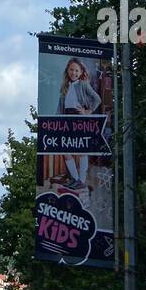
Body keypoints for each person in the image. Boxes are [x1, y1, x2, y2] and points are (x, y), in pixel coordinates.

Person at [58, 57, 102, 192]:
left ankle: (81, 180)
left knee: (81, 149)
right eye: (71, 70)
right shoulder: (65, 86)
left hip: (79, 119)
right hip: (67, 119)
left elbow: (97, 99)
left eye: (76, 70)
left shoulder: (83, 84)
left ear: (81, 72)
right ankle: (75, 179)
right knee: (66, 151)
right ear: (67, 71)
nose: (74, 73)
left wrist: (87, 112)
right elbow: (60, 107)